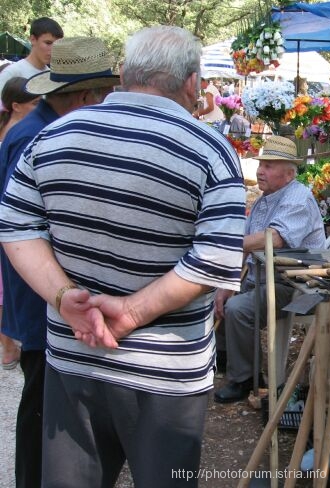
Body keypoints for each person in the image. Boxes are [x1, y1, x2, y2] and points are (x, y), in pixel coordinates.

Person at [0, 25, 245, 488]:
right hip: (166, 376)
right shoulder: (211, 151)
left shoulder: (51, 137)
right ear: (192, 82)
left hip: (75, 357)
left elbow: (16, 227)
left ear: (125, 74)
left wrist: (64, 296)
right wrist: (130, 312)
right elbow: (212, 261)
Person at [0, 37, 120, 488]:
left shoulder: (42, 129)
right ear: (87, 96)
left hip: (45, 286)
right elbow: (18, 225)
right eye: (105, 94)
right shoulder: (37, 138)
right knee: (39, 405)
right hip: (39, 289)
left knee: (46, 399)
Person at [214, 135, 326, 403]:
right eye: (261, 164)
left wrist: (230, 245)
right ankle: (227, 357)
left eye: (269, 166)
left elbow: (273, 239)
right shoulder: (266, 198)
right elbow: (247, 245)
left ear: (288, 174)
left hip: (294, 284)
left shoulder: (298, 196)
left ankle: (245, 379)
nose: (260, 171)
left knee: (239, 309)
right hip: (260, 277)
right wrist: (226, 283)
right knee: (213, 291)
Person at [0, 77, 40, 371]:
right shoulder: (28, 134)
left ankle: (10, 343)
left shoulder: (19, 131)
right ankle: (10, 344)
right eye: (35, 103)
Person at [0, 17, 63, 96]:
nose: (53, 49)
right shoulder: (13, 72)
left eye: (57, 45)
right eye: (48, 43)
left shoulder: (51, 76)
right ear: (33, 39)